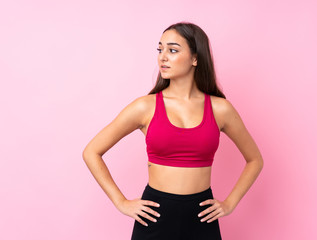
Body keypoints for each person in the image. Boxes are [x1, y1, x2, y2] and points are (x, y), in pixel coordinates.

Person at [82, 21, 264, 240]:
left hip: (202, 218)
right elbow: (92, 151)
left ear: (195, 58)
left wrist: (230, 204)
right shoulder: (145, 106)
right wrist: (121, 202)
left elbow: (255, 159)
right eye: (160, 50)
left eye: (173, 50)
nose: (163, 57)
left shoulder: (220, 109)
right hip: (154, 216)